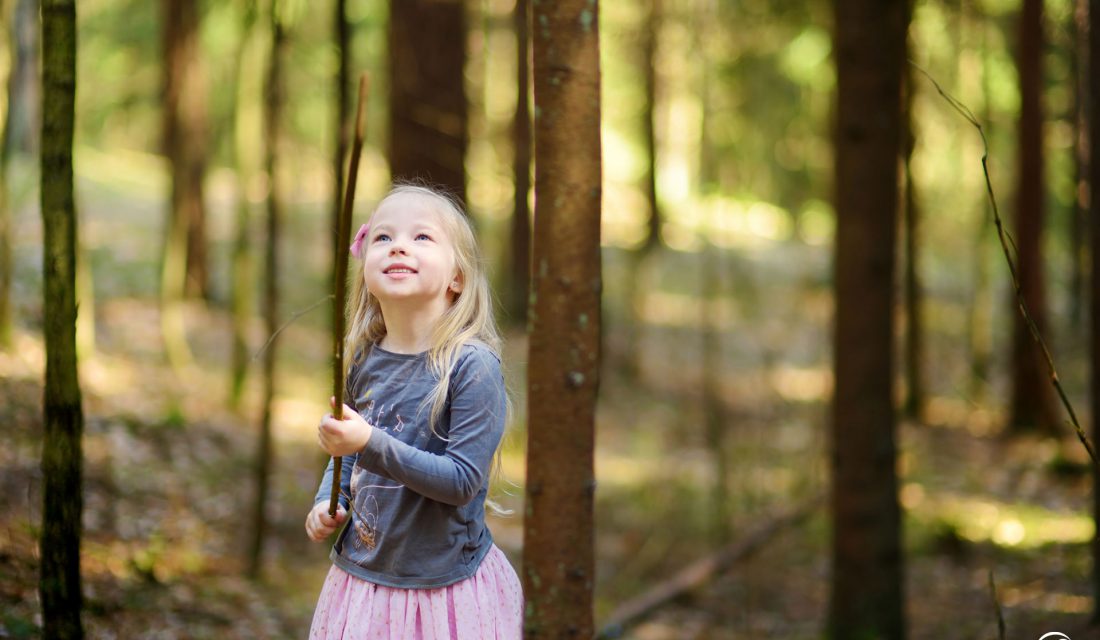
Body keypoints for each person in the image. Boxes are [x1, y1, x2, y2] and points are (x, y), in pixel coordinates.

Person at [305, 184, 523, 639]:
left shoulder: (470, 367)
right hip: (363, 582)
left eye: (422, 237)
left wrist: (369, 443)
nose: (399, 244)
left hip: (443, 592)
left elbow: (462, 481)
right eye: (382, 237)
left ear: (457, 277)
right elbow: (346, 453)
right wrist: (331, 498)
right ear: (365, 268)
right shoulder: (362, 359)